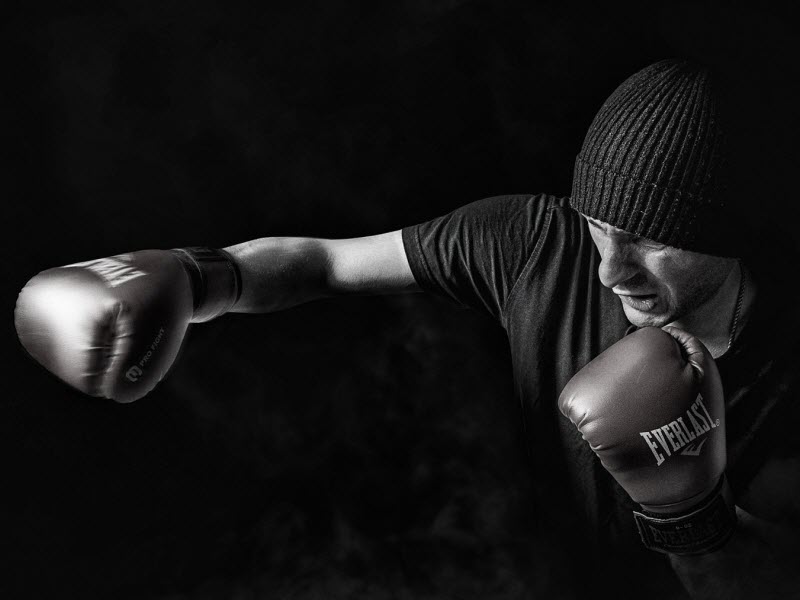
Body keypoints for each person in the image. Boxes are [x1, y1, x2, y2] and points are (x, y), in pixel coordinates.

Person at [15, 59, 800, 598]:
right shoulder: (534, 243)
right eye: (600, 228)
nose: (610, 271)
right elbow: (323, 263)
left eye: (652, 242)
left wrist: (692, 519)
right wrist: (198, 279)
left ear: (730, 232)